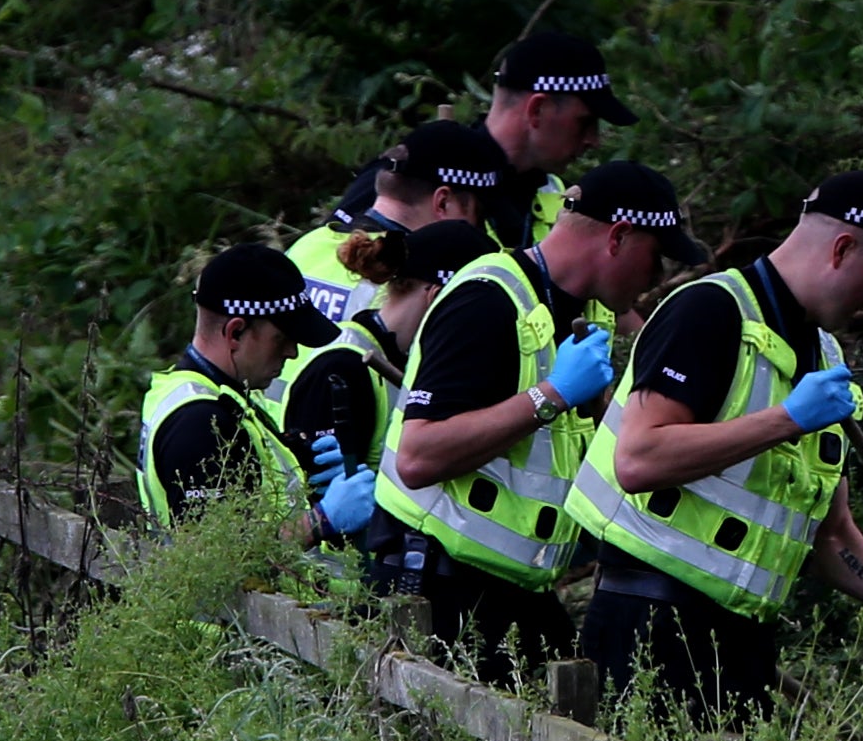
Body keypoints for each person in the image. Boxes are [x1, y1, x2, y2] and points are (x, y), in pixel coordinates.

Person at [568, 169, 863, 719]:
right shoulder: (709, 311)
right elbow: (638, 459)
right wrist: (788, 419)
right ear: (842, 248)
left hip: (743, 643)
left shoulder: (826, 359)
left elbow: (833, 537)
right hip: (648, 628)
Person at [376, 160, 701, 679]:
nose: (655, 278)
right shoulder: (486, 299)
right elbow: (418, 456)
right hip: (434, 585)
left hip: (513, 589)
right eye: (655, 258)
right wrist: (550, 395)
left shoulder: (583, 312)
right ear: (618, 237)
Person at [270, 217, 498, 569]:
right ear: (439, 298)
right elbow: (318, 510)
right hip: (337, 597)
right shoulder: (344, 368)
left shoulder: (407, 361)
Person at [139, 244, 381, 540]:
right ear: (235, 332)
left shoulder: (223, 395)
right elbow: (218, 559)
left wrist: (300, 467)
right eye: (281, 339)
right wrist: (320, 521)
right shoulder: (200, 424)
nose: (292, 352)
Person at [286, 121, 509, 326]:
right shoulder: (416, 283)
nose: (482, 232)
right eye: (480, 217)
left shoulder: (306, 247)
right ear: (442, 203)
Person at [484, 32, 633, 248]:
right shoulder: (436, 193)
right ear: (537, 110)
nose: (594, 141)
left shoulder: (565, 198)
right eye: (584, 122)